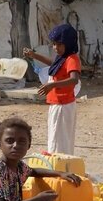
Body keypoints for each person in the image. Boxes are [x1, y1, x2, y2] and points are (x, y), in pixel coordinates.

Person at [23, 24, 81, 154]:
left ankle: (60, 167)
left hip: (64, 105)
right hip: (57, 104)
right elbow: (53, 64)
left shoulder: (72, 59)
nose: (56, 48)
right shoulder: (63, 57)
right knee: (56, 137)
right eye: (54, 44)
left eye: (59, 44)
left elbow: (74, 79)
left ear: (68, 43)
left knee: (60, 140)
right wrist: (34, 55)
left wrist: (52, 85)